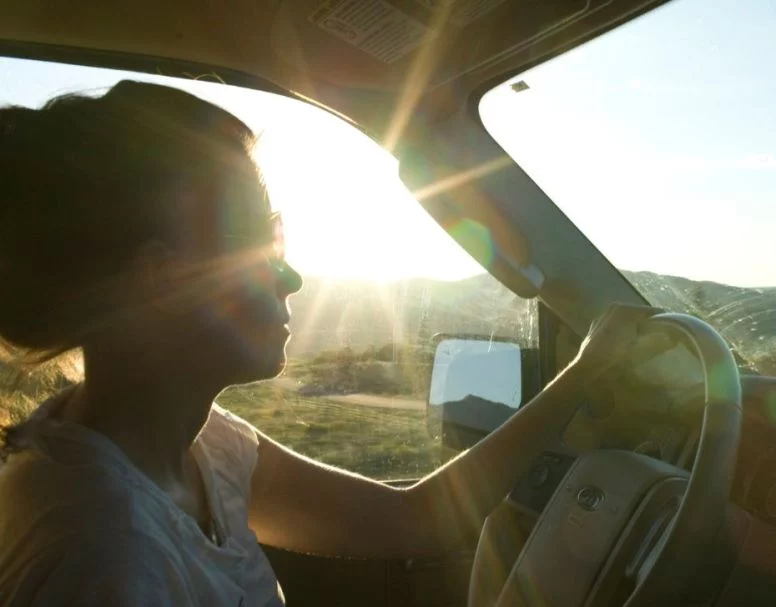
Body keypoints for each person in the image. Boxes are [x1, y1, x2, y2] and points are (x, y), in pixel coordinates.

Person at [0, 81, 653, 605]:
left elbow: (416, 518)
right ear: (161, 280)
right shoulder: (99, 552)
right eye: (256, 244)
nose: (291, 274)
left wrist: (586, 370)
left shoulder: (204, 447)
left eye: (276, 238)